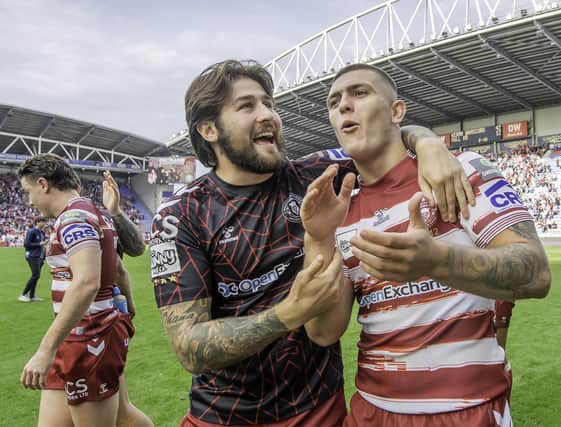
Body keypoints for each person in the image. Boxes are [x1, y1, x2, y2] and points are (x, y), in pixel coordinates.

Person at [150, 59, 474, 427]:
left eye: (269, 103)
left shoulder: (317, 175)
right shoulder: (180, 215)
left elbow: (385, 133)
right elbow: (189, 346)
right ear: (209, 129)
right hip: (222, 415)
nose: (267, 114)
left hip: (318, 409)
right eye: (247, 106)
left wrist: (428, 143)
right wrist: (289, 313)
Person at [300, 63, 551, 426]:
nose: (343, 106)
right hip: (372, 411)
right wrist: (320, 241)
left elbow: (536, 273)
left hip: (467, 411)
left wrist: (435, 261)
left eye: (360, 93)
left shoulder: (459, 170)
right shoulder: (342, 208)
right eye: (333, 101)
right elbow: (323, 331)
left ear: (397, 111)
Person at [18, 154, 134, 427]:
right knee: (124, 416)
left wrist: (45, 350)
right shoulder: (96, 213)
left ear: (43, 184)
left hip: (90, 337)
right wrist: (128, 309)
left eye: (28, 192)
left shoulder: (73, 218)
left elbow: (86, 282)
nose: (29, 201)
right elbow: (119, 270)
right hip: (78, 336)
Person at [102, 170, 154, 427]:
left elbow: (136, 250)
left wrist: (115, 211)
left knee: (120, 409)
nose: (29, 200)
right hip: (83, 324)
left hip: (101, 321)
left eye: (29, 191)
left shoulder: (88, 220)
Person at [19, 216, 48, 302]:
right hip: (32, 256)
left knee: (37, 276)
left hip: (40, 256)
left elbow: (42, 245)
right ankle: (23, 294)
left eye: (44, 222)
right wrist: (39, 243)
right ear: (37, 222)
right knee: (35, 275)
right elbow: (26, 244)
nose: (44, 223)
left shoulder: (42, 233)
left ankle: (32, 296)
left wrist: (44, 253)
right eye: (42, 221)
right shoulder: (31, 231)